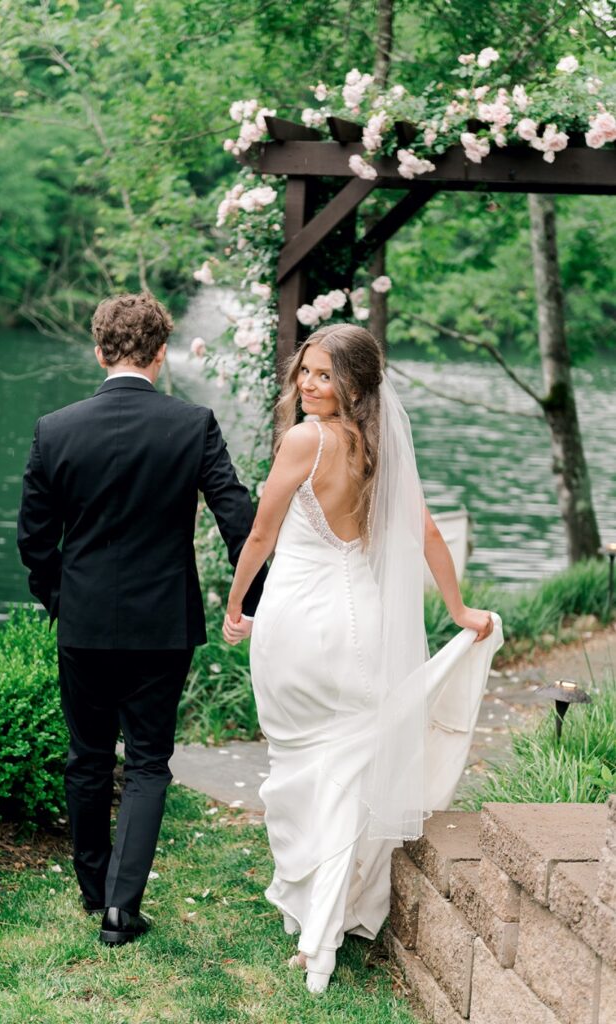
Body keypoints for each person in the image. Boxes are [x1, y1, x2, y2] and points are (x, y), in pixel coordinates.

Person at [223, 323, 502, 994]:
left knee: (302, 766)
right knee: (346, 771)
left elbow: (261, 533)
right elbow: (427, 532)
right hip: (363, 624)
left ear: (353, 385)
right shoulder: (378, 447)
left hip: (298, 624)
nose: (308, 384)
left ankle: (314, 926)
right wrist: (460, 610)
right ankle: (325, 925)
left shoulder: (305, 440)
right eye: (305, 371)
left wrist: (235, 606)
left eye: (324, 375)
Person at [17, 291, 266, 946]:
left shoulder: (55, 428)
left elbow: (34, 541)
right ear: (161, 354)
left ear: (99, 352)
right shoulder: (193, 424)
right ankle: (121, 910)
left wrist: (60, 598)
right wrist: (254, 599)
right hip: (163, 624)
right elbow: (239, 519)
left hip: (84, 621)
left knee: (88, 756)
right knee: (150, 761)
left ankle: (94, 888)